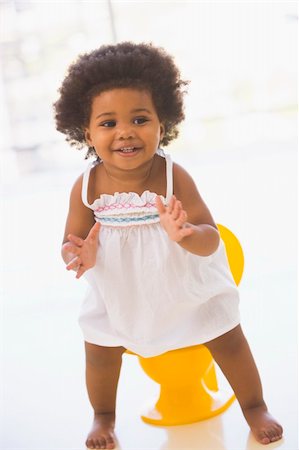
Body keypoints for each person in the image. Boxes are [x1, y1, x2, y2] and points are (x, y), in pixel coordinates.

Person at [54, 42, 283, 449]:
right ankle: (103, 415)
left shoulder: (175, 177)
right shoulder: (86, 187)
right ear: (86, 132)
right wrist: (79, 255)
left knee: (227, 337)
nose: (125, 131)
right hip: (122, 292)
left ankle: (254, 406)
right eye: (108, 123)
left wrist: (187, 235)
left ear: (163, 124)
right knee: (98, 348)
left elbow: (212, 238)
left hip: (182, 283)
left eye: (140, 118)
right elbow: (70, 243)